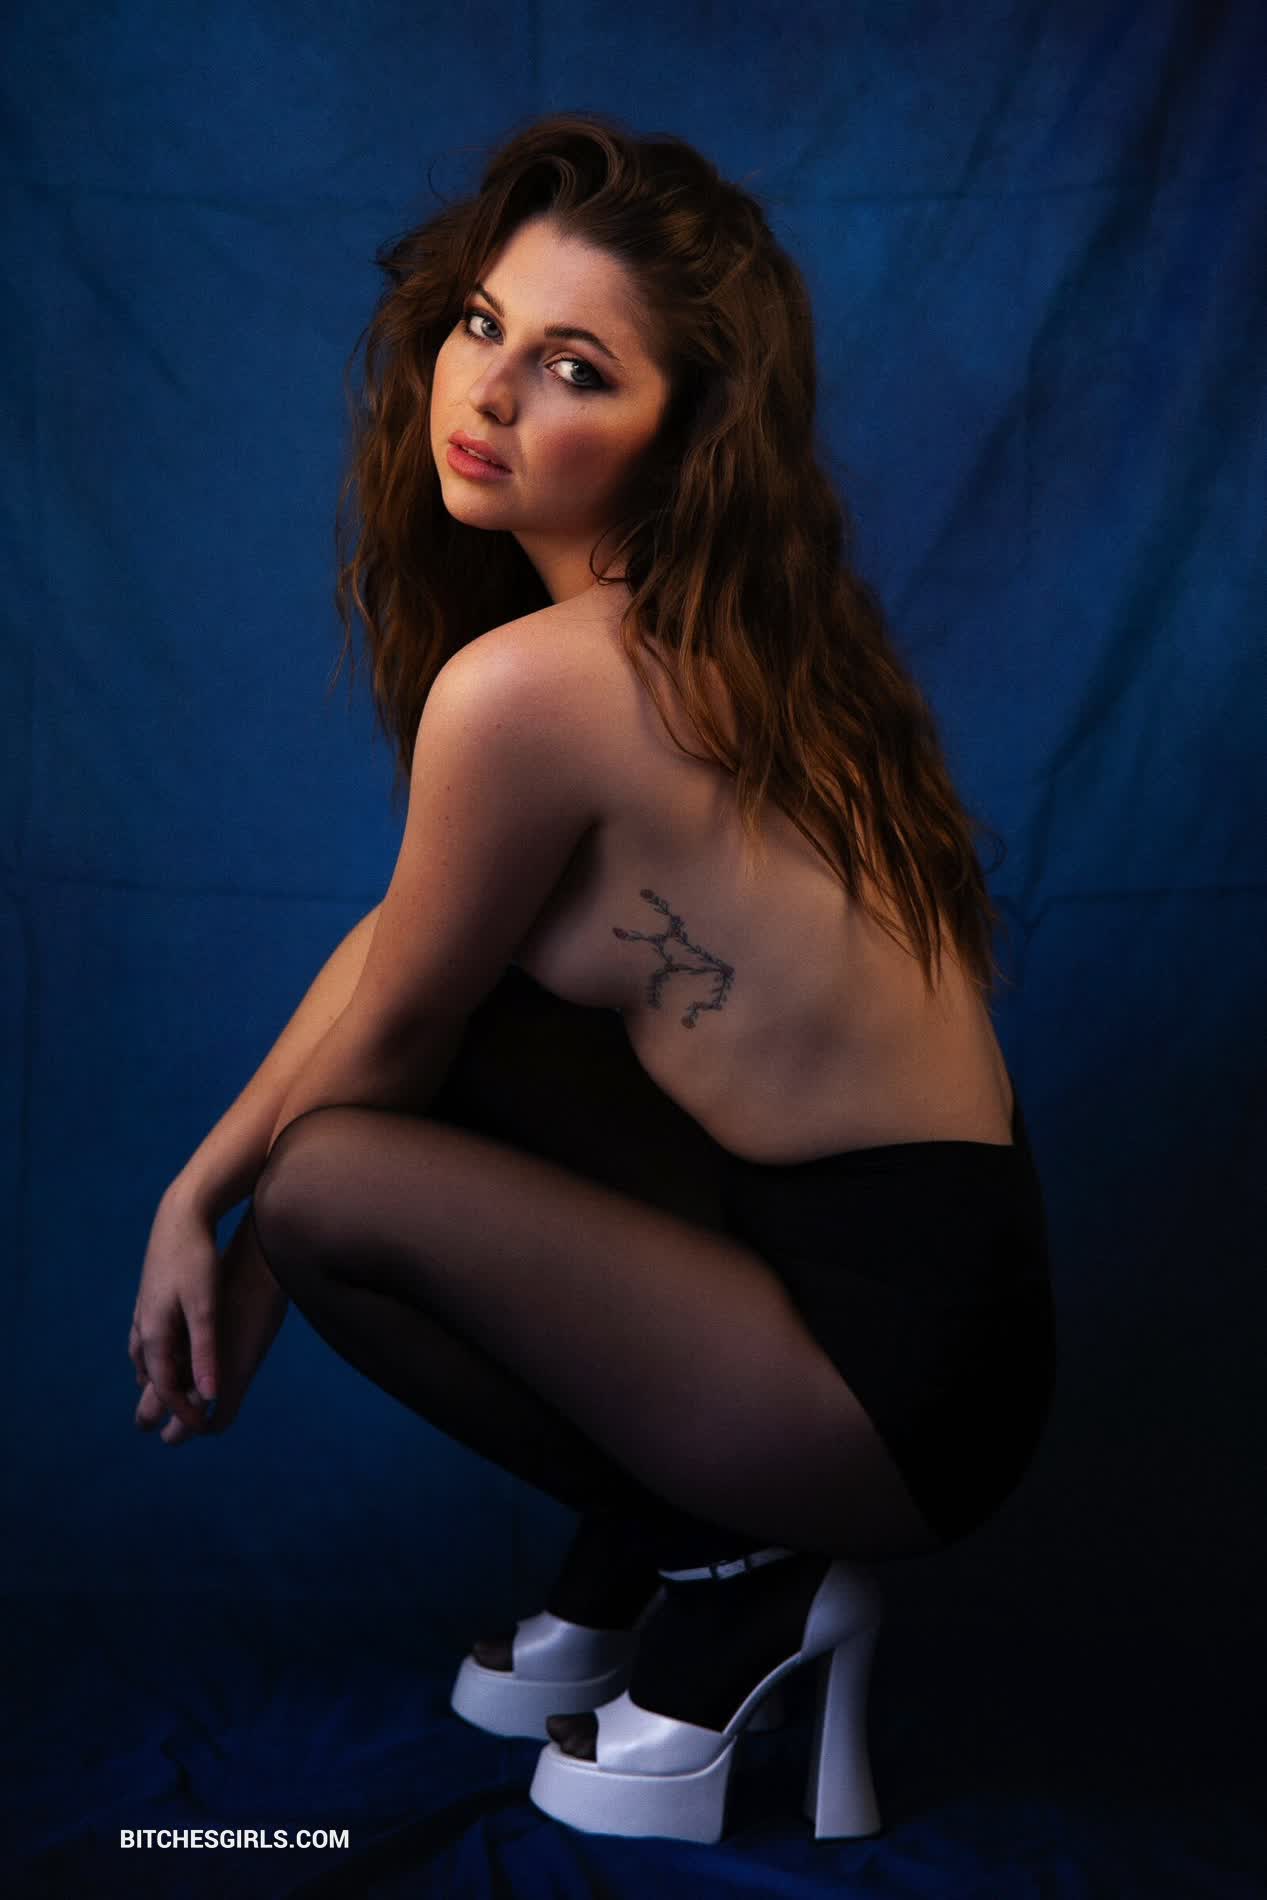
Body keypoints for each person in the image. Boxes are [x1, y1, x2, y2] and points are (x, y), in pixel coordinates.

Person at [128, 112, 1057, 1842]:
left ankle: (744, 1571)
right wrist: (198, 1184)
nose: (488, 393)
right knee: (436, 1043)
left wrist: (252, 1252)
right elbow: (403, 954)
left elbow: (398, 1033)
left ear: (683, 436)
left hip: (893, 1380)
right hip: (884, 1281)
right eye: (482, 326)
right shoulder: (721, 637)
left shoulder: (542, 687)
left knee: (334, 1189)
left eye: (574, 369)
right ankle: (665, 1539)